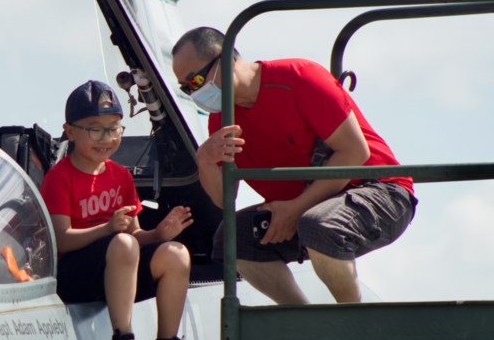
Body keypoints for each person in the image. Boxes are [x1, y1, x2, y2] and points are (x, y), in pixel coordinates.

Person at [170, 27, 416, 304]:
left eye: (196, 80)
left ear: (225, 61)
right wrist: (205, 162)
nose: (194, 92)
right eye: (186, 87)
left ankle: (353, 323)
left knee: (320, 225)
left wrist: (295, 208)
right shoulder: (222, 121)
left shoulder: (298, 78)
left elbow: (354, 153)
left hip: (379, 190)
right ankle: (302, 322)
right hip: (307, 208)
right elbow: (223, 199)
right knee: (232, 238)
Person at [40, 80, 205, 340]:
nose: (106, 138)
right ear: (71, 131)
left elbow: (135, 235)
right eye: (95, 128)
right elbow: (60, 239)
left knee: (176, 254)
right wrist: (108, 229)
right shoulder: (59, 177)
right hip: (75, 275)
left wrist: (158, 235)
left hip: (119, 266)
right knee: (123, 244)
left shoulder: (120, 176)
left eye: (113, 128)